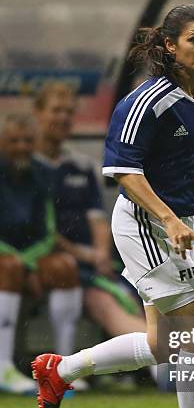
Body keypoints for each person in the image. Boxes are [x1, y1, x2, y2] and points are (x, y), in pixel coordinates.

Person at [32, 4, 194, 408]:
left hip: (176, 223)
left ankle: (61, 370)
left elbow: (193, 148)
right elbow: (123, 172)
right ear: (171, 46)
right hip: (144, 224)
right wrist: (168, 219)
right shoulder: (143, 102)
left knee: (161, 344)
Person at [33, 82, 146, 340]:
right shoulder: (28, 166)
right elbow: (38, 225)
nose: (63, 117)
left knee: (138, 289)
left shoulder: (81, 166)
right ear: (38, 113)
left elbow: (97, 216)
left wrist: (101, 255)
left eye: (69, 112)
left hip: (91, 261)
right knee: (103, 299)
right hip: (53, 258)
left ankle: (153, 361)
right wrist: (80, 254)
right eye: (56, 110)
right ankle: (163, 359)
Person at [0, 115, 81, 393]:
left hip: (30, 257)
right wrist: (23, 265)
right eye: (13, 141)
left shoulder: (42, 174)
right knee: (8, 267)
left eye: (26, 141)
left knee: (65, 266)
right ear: (1, 144)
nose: (21, 146)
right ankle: (4, 369)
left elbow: (49, 231)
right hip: (7, 258)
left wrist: (30, 265)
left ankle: (64, 370)